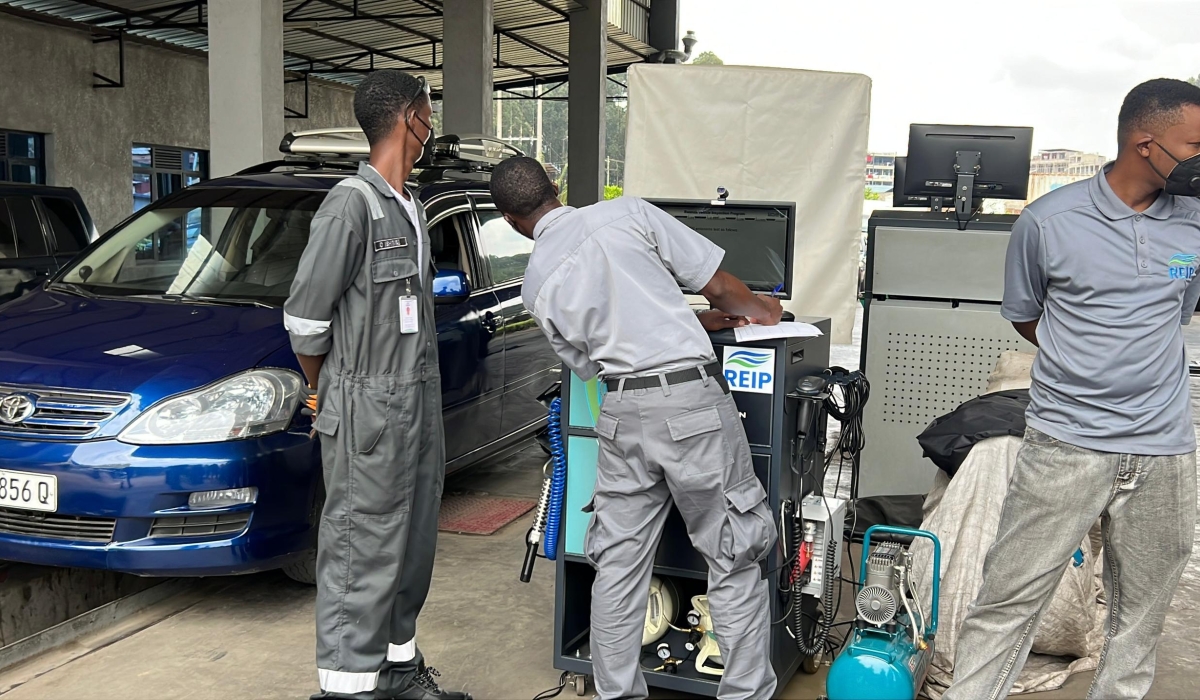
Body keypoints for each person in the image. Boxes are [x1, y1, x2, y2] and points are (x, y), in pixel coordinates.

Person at [489, 157, 785, 700]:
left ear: (509, 219)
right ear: (556, 188)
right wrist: (762, 310)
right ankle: (744, 692)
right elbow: (719, 286)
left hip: (622, 415)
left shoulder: (535, 286)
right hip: (692, 406)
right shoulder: (627, 214)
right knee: (733, 551)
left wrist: (692, 321)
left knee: (619, 568)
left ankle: (618, 694)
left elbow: (594, 357)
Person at [944, 78, 1200, 700]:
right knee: (1007, 603)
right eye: (1195, 145)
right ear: (1145, 144)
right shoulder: (1047, 223)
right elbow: (1026, 313)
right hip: (1066, 445)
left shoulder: (1195, 223)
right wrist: (1081, 362)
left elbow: (1178, 309)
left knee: (1140, 616)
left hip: (1165, 449)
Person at [284, 69, 470, 700]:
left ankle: (396, 671)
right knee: (361, 547)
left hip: (415, 399)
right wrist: (334, 388)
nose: (430, 125)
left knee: (412, 543)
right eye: (427, 112)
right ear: (405, 119)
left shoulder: (410, 206)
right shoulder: (351, 204)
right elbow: (307, 319)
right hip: (367, 401)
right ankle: (345, 689)